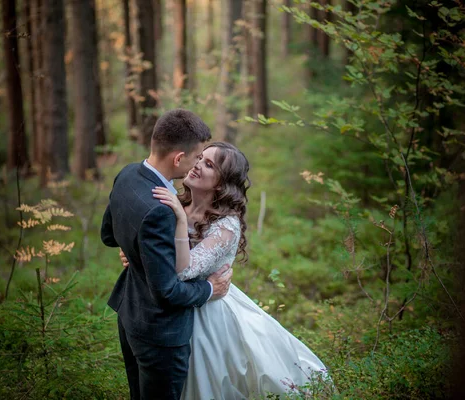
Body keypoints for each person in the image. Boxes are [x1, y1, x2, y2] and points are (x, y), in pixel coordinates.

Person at [119, 141, 330, 399]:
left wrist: (181, 220)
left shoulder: (226, 226)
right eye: (199, 158)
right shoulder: (176, 202)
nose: (197, 165)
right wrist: (134, 254)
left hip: (208, 312)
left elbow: (184, 272)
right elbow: (149, 242)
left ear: (221, 183)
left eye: (209, 165)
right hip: (170, 306)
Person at [101, 109, 234, 400]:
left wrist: (137, 253)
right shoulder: (161, 210)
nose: (197, 163)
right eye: (196, 156)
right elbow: (167, 293)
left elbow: (108, 235)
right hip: (159, 332)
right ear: (178, 158)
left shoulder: (126, 175)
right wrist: (211, 287)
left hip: (129, 315)